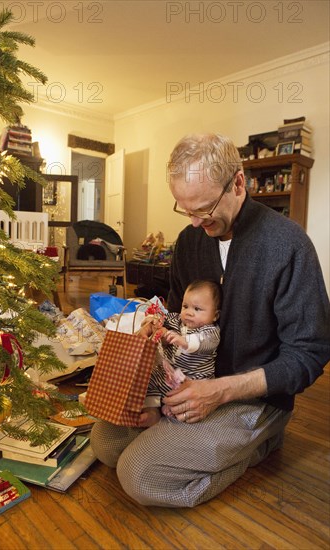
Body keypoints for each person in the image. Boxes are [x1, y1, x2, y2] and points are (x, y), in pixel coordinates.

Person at [90, 133, 330, 508]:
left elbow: (310, 355)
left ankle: (260, 444)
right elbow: (175, 310)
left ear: (238, 182)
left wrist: (220, 392)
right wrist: (154, 327)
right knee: (104, 443)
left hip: (252, 397)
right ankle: (191, 443)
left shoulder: (288, 244)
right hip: (187, 381)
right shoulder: (190, 240)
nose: (197, 221)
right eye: (185, 210)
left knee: (139, 475)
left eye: (204, 208)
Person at [139, 279, 221, 428]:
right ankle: (152, 411)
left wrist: (184, 341)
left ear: (215, 315)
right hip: (167, 374)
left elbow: (203, 341)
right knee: (147, 378)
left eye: (197, 309)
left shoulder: (210, 331)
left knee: (188, 399)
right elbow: (162, 317)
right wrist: (153, 322)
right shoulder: (176, 320)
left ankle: (174, 409)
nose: (189, 312)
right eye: (185, 306)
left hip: (191, 380)